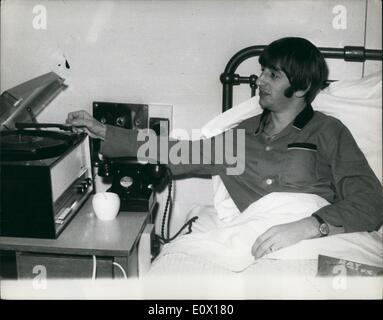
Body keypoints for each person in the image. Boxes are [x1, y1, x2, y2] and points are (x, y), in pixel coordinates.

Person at [67, 37, 382, 259]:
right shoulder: (238, 139)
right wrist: (102, 130)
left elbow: (370, 200)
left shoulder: (329, 131)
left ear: (300, 88)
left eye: (273, 74)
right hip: (253, 241)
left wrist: (309, 226)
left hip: (315, 240)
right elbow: (175, 151)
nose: (260, 80)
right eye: (262, 70)